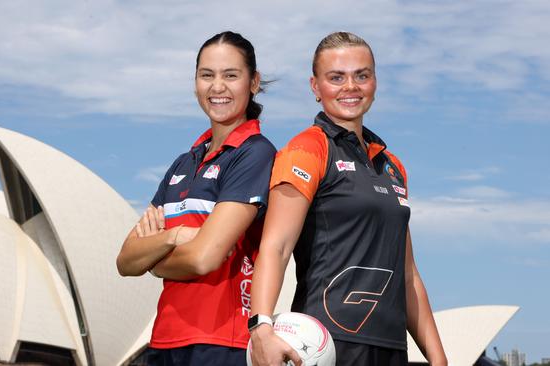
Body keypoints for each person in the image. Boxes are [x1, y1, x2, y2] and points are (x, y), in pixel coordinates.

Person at [248, 32, 447, 366]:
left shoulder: (392, 166)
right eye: (336, 77)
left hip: (392, 347)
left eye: (362, 75)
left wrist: (439, 360)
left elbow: (409, 276)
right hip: (327, 344)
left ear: (374, 82)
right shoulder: (306, 149)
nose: (350, 87)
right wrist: (261, 327)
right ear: (315, 87)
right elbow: (276, 247)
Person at [117, 31, 276, 366]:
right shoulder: (183, 163)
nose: (217, 87)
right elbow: (126, 261)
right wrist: (174, 236)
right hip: (163, 340)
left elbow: (205, 258)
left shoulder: (255, 153)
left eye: (230, 75)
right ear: (195, 83)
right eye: (207, 75)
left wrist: (154, 262)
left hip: (222, 342)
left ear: (253, 82)